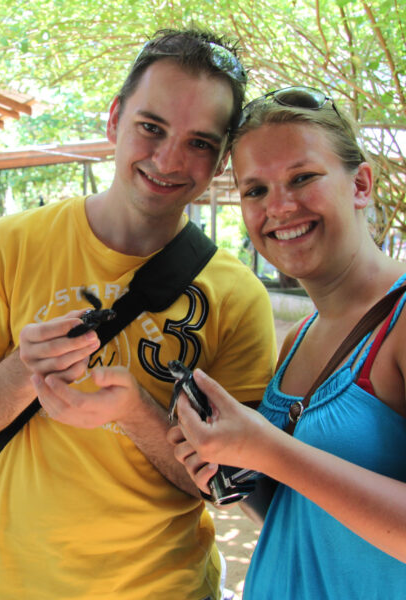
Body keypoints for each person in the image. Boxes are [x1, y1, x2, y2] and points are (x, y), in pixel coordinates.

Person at [0, 28, 277, 600]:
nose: (168, 159)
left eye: (199, 143)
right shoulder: (11, 245)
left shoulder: (237, 297)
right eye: (151, 127)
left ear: (219, 161)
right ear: (115, 119)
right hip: (1, 583)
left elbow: (221, 486)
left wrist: (140, 414)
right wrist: (23, 372)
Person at [168, 86, 406, 598]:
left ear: (360, 183)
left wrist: (270, 450)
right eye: (255, 190)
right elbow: (303, 513)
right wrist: (233, 468)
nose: (279, 207)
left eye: (302, 178)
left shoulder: (400, 320)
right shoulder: (298, 338)